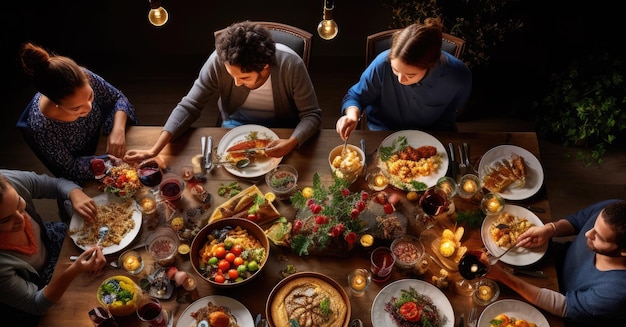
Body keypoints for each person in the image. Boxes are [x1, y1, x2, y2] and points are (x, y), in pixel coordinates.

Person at [124, 21, 321, 164]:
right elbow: (190, 105)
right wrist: (154, 149)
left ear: (265, 68)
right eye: (232, 75)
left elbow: (312, 115)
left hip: (283, 133)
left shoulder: (291, 65)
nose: (236, 83)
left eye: (244, 78)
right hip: (233, 128)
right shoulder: (219, 61)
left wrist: (292, 142)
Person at [488, 199, 626, 327]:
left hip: (567, 320)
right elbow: (577, 221)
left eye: (599, 237)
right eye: (594, 225)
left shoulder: (618, 291)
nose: (587, 233)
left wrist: (502, 276)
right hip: (554, 263)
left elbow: (562, 305)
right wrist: (551, 229)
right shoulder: (613, 211)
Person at [0, 170, 106, 327]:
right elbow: (36, 304)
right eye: (5, 220)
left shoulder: (6, 181)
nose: (21, 219)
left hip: (53, 246)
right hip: (34, 306)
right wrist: (73, 270)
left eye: (19, 203)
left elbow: (56, 184)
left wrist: (75, 193)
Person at [18, 42, 138, 185]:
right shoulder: (43, 126)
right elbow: (70, 168)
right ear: (56, 104)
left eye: (90, 96)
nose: (88, 107)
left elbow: (118, 98)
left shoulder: (83, 76)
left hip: (102, 137)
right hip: (85, 164)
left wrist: (118, 129)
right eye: (76, 108)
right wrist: (108, 162)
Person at [336, 18, 471, 139]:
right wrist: (352, 115)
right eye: (395, 70)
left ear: (432, 65)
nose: (400, 79)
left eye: (410, 75)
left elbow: (452, 113)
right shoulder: (382, 63)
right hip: (383, 132)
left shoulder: (458, 77)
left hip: (430, 135)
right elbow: (356, 96)